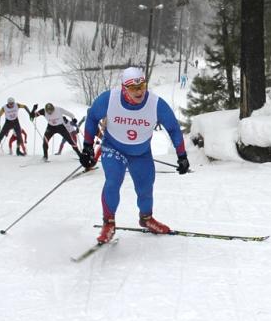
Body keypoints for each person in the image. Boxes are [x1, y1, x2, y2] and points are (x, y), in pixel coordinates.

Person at [80, 67, 190, 244]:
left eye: (142, 86)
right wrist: (87, 147)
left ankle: (146, 218)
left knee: (146, 186)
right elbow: (92, 117)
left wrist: (182, 156)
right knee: (113, 181)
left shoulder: (155, 104)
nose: (139, 92)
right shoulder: (109, 99)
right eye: (133, 88)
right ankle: (108, 223)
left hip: (140, 153)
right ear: (124, 88)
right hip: (114, 147)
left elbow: (173, 129)